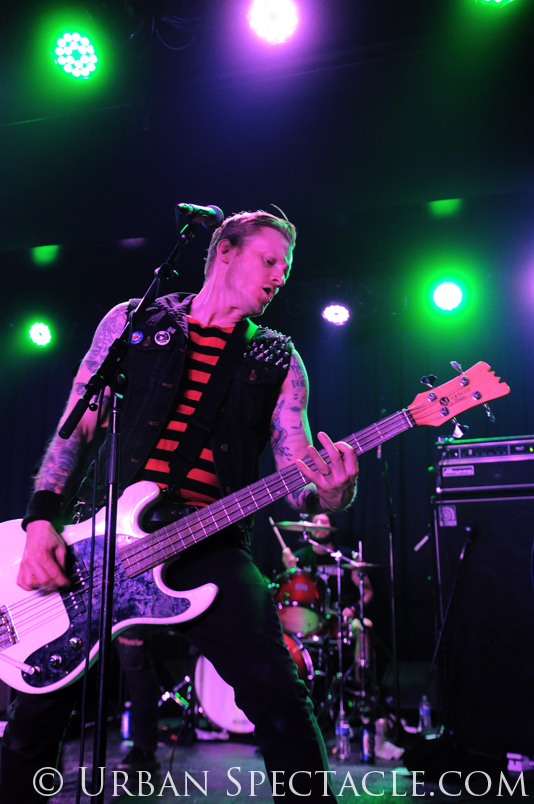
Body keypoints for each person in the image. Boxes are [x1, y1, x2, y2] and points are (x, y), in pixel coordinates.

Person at [0, 209, 358, 803]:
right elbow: (77, 428)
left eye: (287, 268)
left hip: (210, 542)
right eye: (269, 260)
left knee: (279, 697)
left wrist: (332, 491)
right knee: (34, 718)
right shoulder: (134, 322)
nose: (280, 276)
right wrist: (41, 522)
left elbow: (296, 473)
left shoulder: (277, 358)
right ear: (225, 252)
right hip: (106, 540)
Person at [281, 513, 374, 675]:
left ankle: (361, 682)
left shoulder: (347, 557)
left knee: (364, 626)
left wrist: (353, 609)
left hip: (341, 617)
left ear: (331, 526)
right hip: (310, 618)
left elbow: (368, 591)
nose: (318, 525)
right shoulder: (299, 558)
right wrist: (290, 569)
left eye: (323, 522)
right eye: (315, 522)